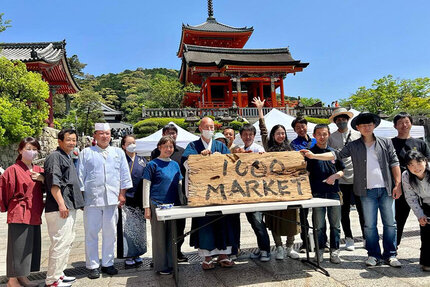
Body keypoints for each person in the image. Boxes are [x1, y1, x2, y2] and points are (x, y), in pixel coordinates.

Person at [301, 113, 402, 267]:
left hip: (386, 188)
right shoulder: (354, 146)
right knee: (369, 225)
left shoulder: (385, 142)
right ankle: (373, 254)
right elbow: (336, 155)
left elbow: (394, 162)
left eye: (369, 125)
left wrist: (397, 184)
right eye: (363, 126)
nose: (367, 128)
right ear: (358, 128)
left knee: (390, 224)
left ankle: (391, 254)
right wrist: (314, 156)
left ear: (374, 126)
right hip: (366, 190)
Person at [78, 123, 133, 279]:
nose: (104, 136)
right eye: (101, 133)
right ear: (95, 135)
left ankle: (108, 263)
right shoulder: (86, 153)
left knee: (111, 233)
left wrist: (122, 195)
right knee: (91, 233)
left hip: (112, 199)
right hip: (92, 199)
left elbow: (124, 175)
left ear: (111, 135)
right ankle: (93, 265)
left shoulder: (118, 153)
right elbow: (80, 176)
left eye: (107, 133)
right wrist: (81, 198)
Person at [182, 117, 235, 270]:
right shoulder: (193, 145)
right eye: (207, 127)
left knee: (223, 222)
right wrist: (200, 157)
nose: (210, 129)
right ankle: (207, 257)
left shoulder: (220, 145)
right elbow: (187, 163)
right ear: (200, 128)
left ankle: (224, 255)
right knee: (204, 224)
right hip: (202, 193)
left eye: (212, 127)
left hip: (220, 191)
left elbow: (230, 163)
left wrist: (219, 157)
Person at [253, 97, 300, 260]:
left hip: (289, 189)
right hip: (273, 188)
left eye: (283, 133)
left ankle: (290, 246)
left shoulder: (290, 148)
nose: (280, 135)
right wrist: (260, 110)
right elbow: (263, 130)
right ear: (273, 135)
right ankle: (279, 247)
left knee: (292, 217)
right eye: (278, 133)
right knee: (274, 219)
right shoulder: (268, 147)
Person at [0, 137, 44, 287]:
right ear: (20, 150)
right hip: (19, 212)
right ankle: (12, 280)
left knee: (29, 247)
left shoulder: (39, 170)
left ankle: (23, 277)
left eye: (34, 149)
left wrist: (43, 179)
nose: (31, 152)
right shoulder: (12, 170)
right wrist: (7, 207)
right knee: (16, 247)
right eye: (28, 149)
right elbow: (4, 191)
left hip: (34, 212)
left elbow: (49, 186)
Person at [44, 129, 85, 287]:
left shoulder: (67, 156)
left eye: (74, 140)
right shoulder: (55, 157)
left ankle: (59, 274)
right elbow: (54, 183)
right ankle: (52, 280)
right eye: (68, 140)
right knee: (59, 243)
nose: (72, 143)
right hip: (59, 207)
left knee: (67, 241)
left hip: (69, 205)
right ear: (59, 141)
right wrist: (61, 204)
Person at [143, 136, 183, 275]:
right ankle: (161, 266)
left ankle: (172, 263)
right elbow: (146, 187)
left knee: (172, 236)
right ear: (159, 147)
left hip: (174, 205)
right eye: (165, 146)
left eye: (171, 147)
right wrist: (146, 207)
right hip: (157, 204)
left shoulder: (175, 165)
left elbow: (180, 184)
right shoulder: (152, 164)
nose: (168, 149)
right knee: (159, 237)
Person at [306, 124, 344, 264]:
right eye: (319, 134)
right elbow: (307, 173)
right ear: (314, 136)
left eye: (325, 134)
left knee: (335, 225)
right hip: (317, 194)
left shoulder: (334, 152)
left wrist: (334, 176)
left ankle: (335, 251)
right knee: (319, 225)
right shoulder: (310, 153)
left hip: (334, 192)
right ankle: (320, 250)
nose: (322, 137)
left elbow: (341, 170)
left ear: (328, 135)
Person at [328, 108, 365, 251]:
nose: (341, 122)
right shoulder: (331, 137)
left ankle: (366, 237)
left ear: (347, 120)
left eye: (343, 119)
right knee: (344, 212)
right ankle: (349, 238)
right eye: (338, 120)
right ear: (335, 122)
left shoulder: (357, 135)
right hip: (341, 179)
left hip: (357, 178)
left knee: (363, 210)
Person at [391, 112, 430, 247]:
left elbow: (428, 162)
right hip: (400, 186)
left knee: (424, 219)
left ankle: (425, 252)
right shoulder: (390, 143)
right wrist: (397, 185)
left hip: (421, 188)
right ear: (395, 126)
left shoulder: (420, 143)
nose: (404, 125)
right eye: (400, 123)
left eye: (407, 122)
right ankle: (393, 248)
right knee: (398, 219)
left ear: (411, 123)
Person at [150, 124, 187, 262]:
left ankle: (177, 252)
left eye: (173, 133)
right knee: (161, 229)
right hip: (161, 196)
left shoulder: (183, 152)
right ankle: (161, 256)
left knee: (180, 226)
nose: (171, 135)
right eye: (168, 133)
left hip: (179, 194)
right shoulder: (156, 152)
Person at [237, 123, 272, 262]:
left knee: (258, 222)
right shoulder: (240, 149)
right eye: (245, 135)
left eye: (250, 134)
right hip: (245, 193)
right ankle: (262, 248)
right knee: (253, 222)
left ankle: (265, 251)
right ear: (241, 136)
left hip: (257, 193)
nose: (247, 137)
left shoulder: (259, 149)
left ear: (254, 135)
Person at [118, 134, 147, 268]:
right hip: (126, 198)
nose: (132, 145)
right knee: (127, 227)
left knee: (139, 227)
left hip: (140, 197)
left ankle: (138, 253)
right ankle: (128, 254)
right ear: (123, 146)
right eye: (129, 143)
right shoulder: (120, 160)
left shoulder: (142, 160)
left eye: (134, 142)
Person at [290, 117, 317, 253]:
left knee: (318, 213)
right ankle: (305, 241)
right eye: (298, 128)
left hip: (318, 180)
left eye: (303, 126)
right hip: (303, 181)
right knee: (303, 214)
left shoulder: (316, 140)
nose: (301, 129)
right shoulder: (294, 144)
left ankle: (321, 240)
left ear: (307, 126)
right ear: (295, 130)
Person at [402, 150, 430, 272]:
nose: (416, 168)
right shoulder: (406, 176)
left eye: (419, 163)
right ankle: (427, 262)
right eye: (411, 165)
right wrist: (420, 215)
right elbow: (411, 197)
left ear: (425, 161)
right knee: (426, 233)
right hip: (426, 204)